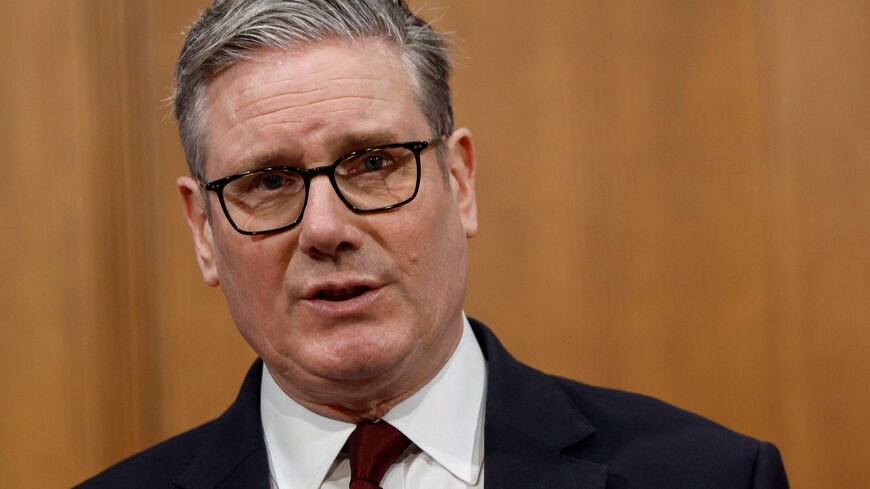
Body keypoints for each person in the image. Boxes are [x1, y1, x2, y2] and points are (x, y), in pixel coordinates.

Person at [75, 0, 789, 488]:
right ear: (203, 230)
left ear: (460, 179)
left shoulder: (711, 476)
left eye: (375, 162)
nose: (325, 228)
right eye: (269, 180)